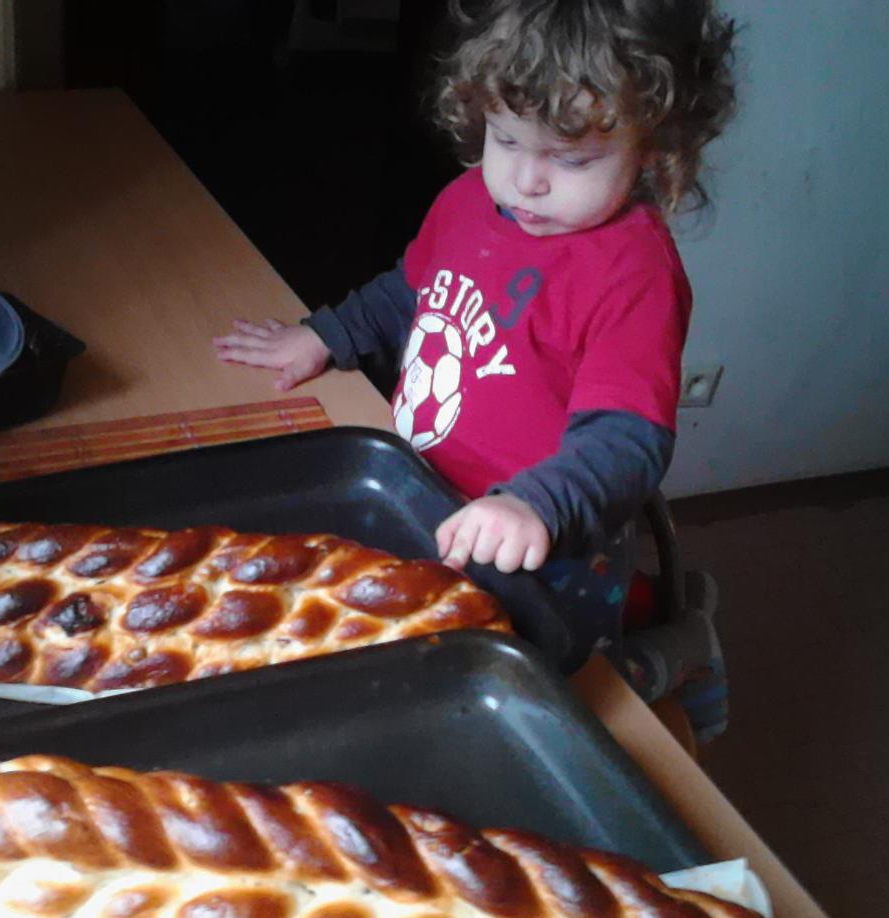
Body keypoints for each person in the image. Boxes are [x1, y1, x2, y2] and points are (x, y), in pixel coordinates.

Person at [214, 0, 737, 664]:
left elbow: (626, 440)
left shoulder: (635, 275)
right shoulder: (469, 200)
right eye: (507, 140)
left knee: (558, 679)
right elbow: (408, 290)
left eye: (572, 159)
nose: (525, 181)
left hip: (540, 542)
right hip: (419, 490)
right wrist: (326, 335)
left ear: (655, 147)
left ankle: (677, 652)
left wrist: (534, 506)